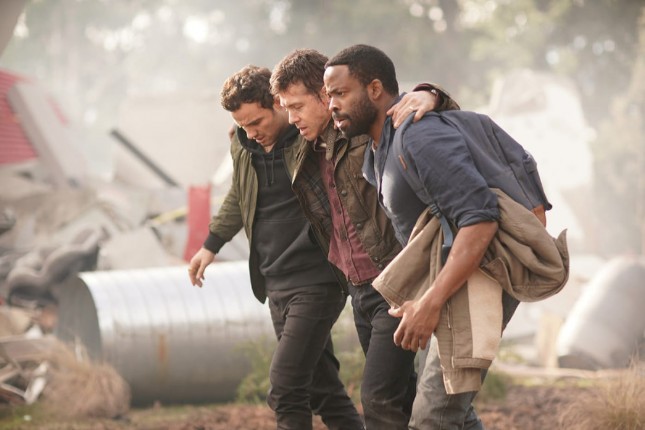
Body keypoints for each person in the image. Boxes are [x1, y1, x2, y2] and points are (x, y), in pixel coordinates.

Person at [323, 44, 571, 430]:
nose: (332, 105)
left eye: (340, 93)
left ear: (374, 89)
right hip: (450, 278)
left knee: (434, 417)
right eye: (327, 96)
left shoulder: (418, 136)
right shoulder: (377, 146)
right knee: (454, 411)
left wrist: (430, 303)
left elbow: (479, 220)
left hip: (478, 276)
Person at [270, 49, 458, 430]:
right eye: (286, 109)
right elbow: (257, 115)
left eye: (297, 106)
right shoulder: (306, 143)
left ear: (324, 95)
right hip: (358, 289)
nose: (291, 118)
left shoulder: (362, 129)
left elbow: (414, 111)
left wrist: (431, 94)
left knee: (379, 398)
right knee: (406, 398)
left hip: (395, 283)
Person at [187, 65, 364, 430]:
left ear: (278, 103)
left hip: (317, 279)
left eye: (257, 121)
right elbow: (239, 195)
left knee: (285, 388)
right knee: (322, 390)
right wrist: (211, 244)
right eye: (243, 125)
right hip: (274, 280)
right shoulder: (243, 143)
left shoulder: (311, 137)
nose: (252, 131)